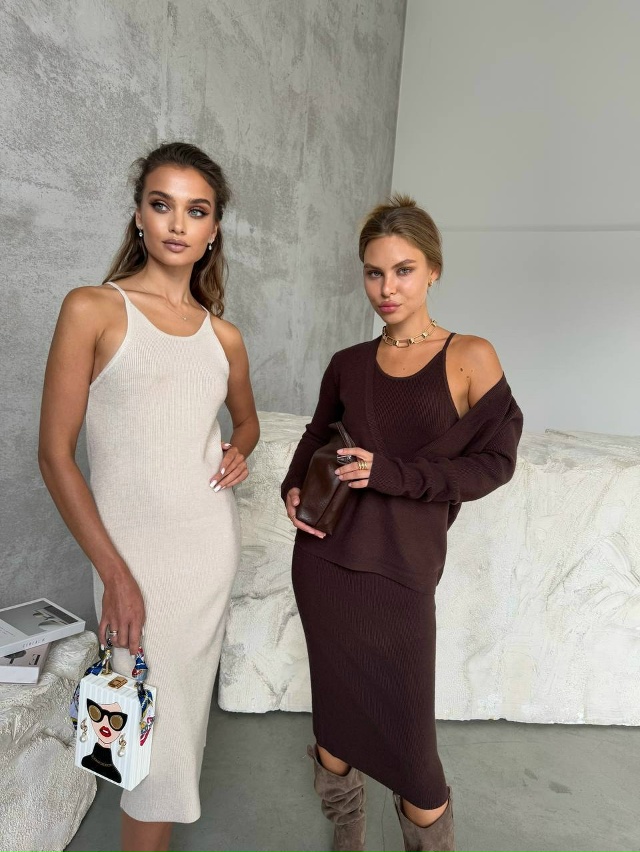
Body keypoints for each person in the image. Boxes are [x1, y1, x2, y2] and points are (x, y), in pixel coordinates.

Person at [282, 195, 523, 852]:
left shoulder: (470, 356)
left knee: (416, 762)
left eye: (404, 270)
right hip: (325, 564)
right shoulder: (348, 362)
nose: (387, 288)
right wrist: (293, 487)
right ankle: (348, 834)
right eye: (374, 272)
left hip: (403, 571)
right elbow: (316, 436)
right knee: (334, 723)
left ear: (434, 270)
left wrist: (391, 474)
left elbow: (495, 464)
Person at [39, 142, 259, 852]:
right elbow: (54, 455)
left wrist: (239, 449)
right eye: (162, 204)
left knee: (171, 740)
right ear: (139, 215)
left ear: (214, 229)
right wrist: (114, 574)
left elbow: (247, 421)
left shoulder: (223, 337)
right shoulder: (93, 309)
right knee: (145, 746)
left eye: (197, 211)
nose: (177, 223)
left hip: (206, 552)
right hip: (129, 560)